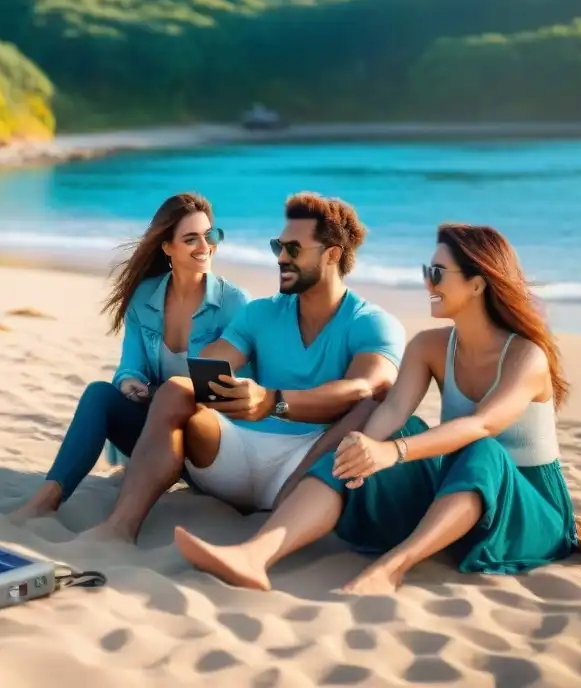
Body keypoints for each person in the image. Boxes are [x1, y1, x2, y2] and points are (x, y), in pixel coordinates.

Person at [174, 223, 580, 594]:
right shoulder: (429, 346)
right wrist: (362, 446)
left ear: (477, 285)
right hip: (456, 492)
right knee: (375, 429)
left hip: (530, 509)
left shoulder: (526, 356)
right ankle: (256, 554)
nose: (427, 282)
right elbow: (392, 412)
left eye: (438, 273)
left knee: (478, 450)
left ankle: (391, 568)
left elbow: (481, 425)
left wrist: (393, 452)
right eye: (427, 270)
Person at [80, 192, 408, 544]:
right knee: (177, 389)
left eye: (293, 249)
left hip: (306, 465)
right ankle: (119, 528)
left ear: (332, 255)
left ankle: (282, 515)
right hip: (234, 454)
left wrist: (273, 401)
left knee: (373, 405)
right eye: (277, 247)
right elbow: (207, 367)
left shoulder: (372, 323)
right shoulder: (260, 313)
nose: (281, 258)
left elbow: (365, 387)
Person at [13, 193, 250, 520]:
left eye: (210, 236)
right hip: (158, 441)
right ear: (167, 247)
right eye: (191, 238)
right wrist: (129, 385)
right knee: (99, 393)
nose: (205, 247)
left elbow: (229, 394)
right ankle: (45, 500)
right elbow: (130, 365)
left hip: (213, 446)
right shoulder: (144, 298)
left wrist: (166, 395)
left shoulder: (234, 304)